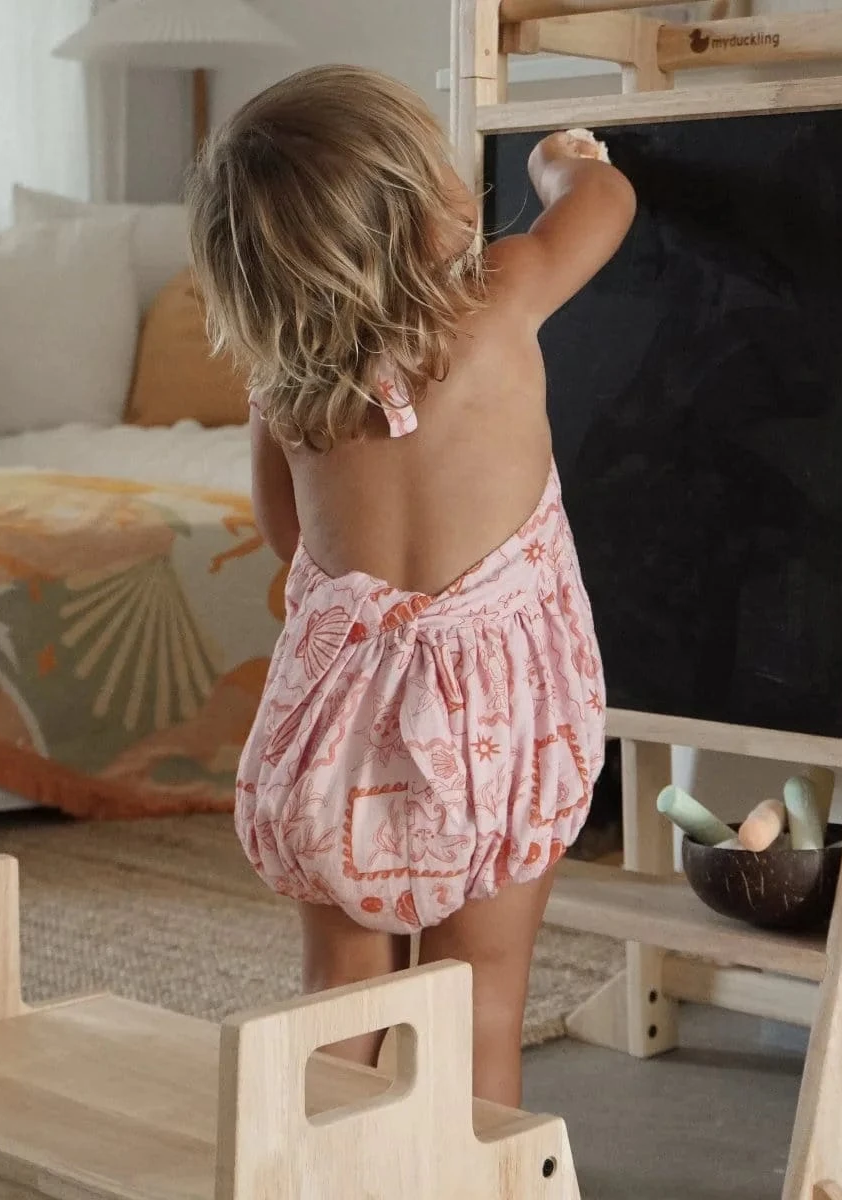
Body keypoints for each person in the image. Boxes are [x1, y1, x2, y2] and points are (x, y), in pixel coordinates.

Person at [186, 64, 635, 1108]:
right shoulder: (496, 300)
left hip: (339, 734)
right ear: (418, 212)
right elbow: (605, 206)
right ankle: (473, 1175)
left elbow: (290, 539)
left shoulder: (284, 387)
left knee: (342, 998)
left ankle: (308, 1170)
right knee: (479, 1001)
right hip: (493, 733)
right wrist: (562, 160)